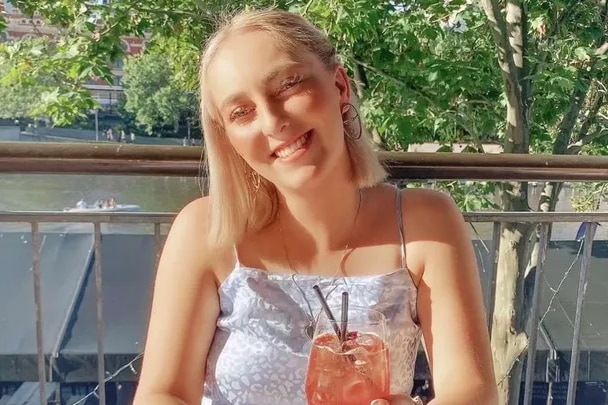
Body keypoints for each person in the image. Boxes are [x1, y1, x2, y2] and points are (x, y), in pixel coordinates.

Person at [133, 8, 497, 405]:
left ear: (339, 85)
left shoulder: (426, 225)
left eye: (288, 85)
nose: (272, 121)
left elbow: (472, 392)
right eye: (242, 112)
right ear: (229, 137)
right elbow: (162, 393)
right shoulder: (205, 231)